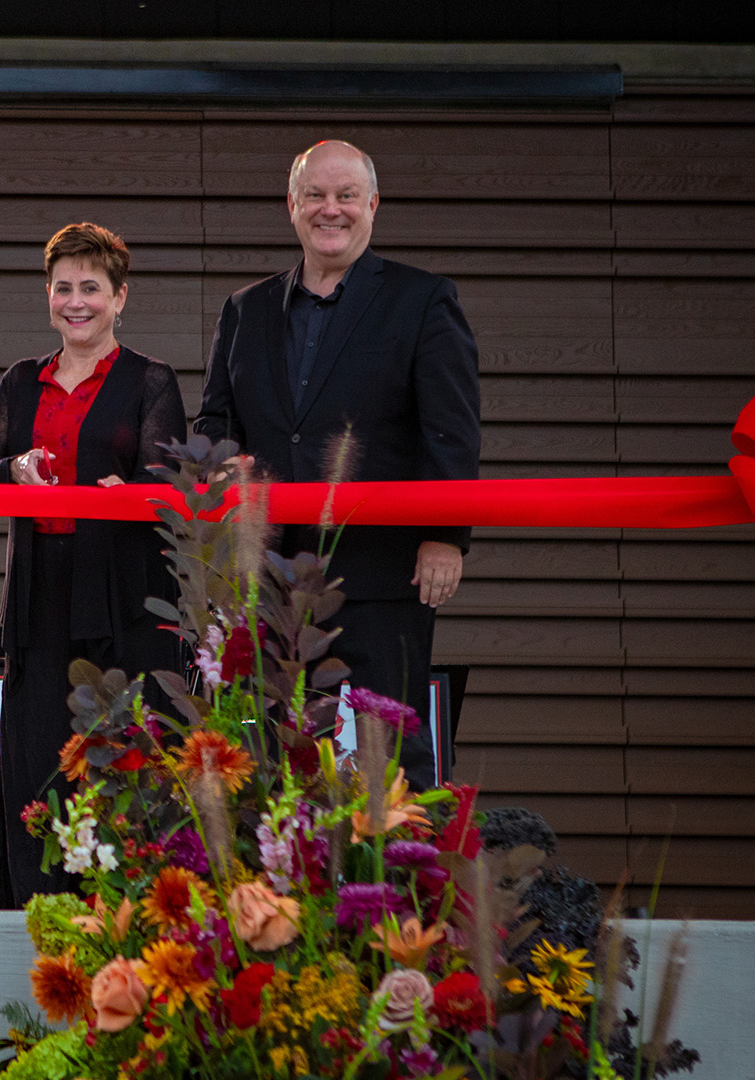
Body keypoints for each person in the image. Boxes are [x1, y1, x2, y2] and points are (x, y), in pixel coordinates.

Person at [195, 139, 481, 792]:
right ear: (291, 206)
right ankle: (275, 894)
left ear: (372, 205)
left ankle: (401, 889)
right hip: (268, 577)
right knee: (268, 755)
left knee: (394, 753)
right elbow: (215, 425)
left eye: (346, 195)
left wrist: (446, 536)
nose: (332, 209)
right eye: (316, 195)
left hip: (380, 572)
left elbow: (451, 430)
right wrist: (222, 470)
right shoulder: (246, 309)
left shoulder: (423, 300)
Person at [0, 223, 187, 906]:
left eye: (91, 287)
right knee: (37, 761)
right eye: (63, 287)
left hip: (121, 595)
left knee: (122, 762)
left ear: (120, 297)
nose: (76, 300)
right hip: (39, 595)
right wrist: (15, 467)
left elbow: (170, 479)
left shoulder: (150, 380)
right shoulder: (20, 380)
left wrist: (137, 493)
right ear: (48, 295)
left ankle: (119, 914)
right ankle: (38, 917)